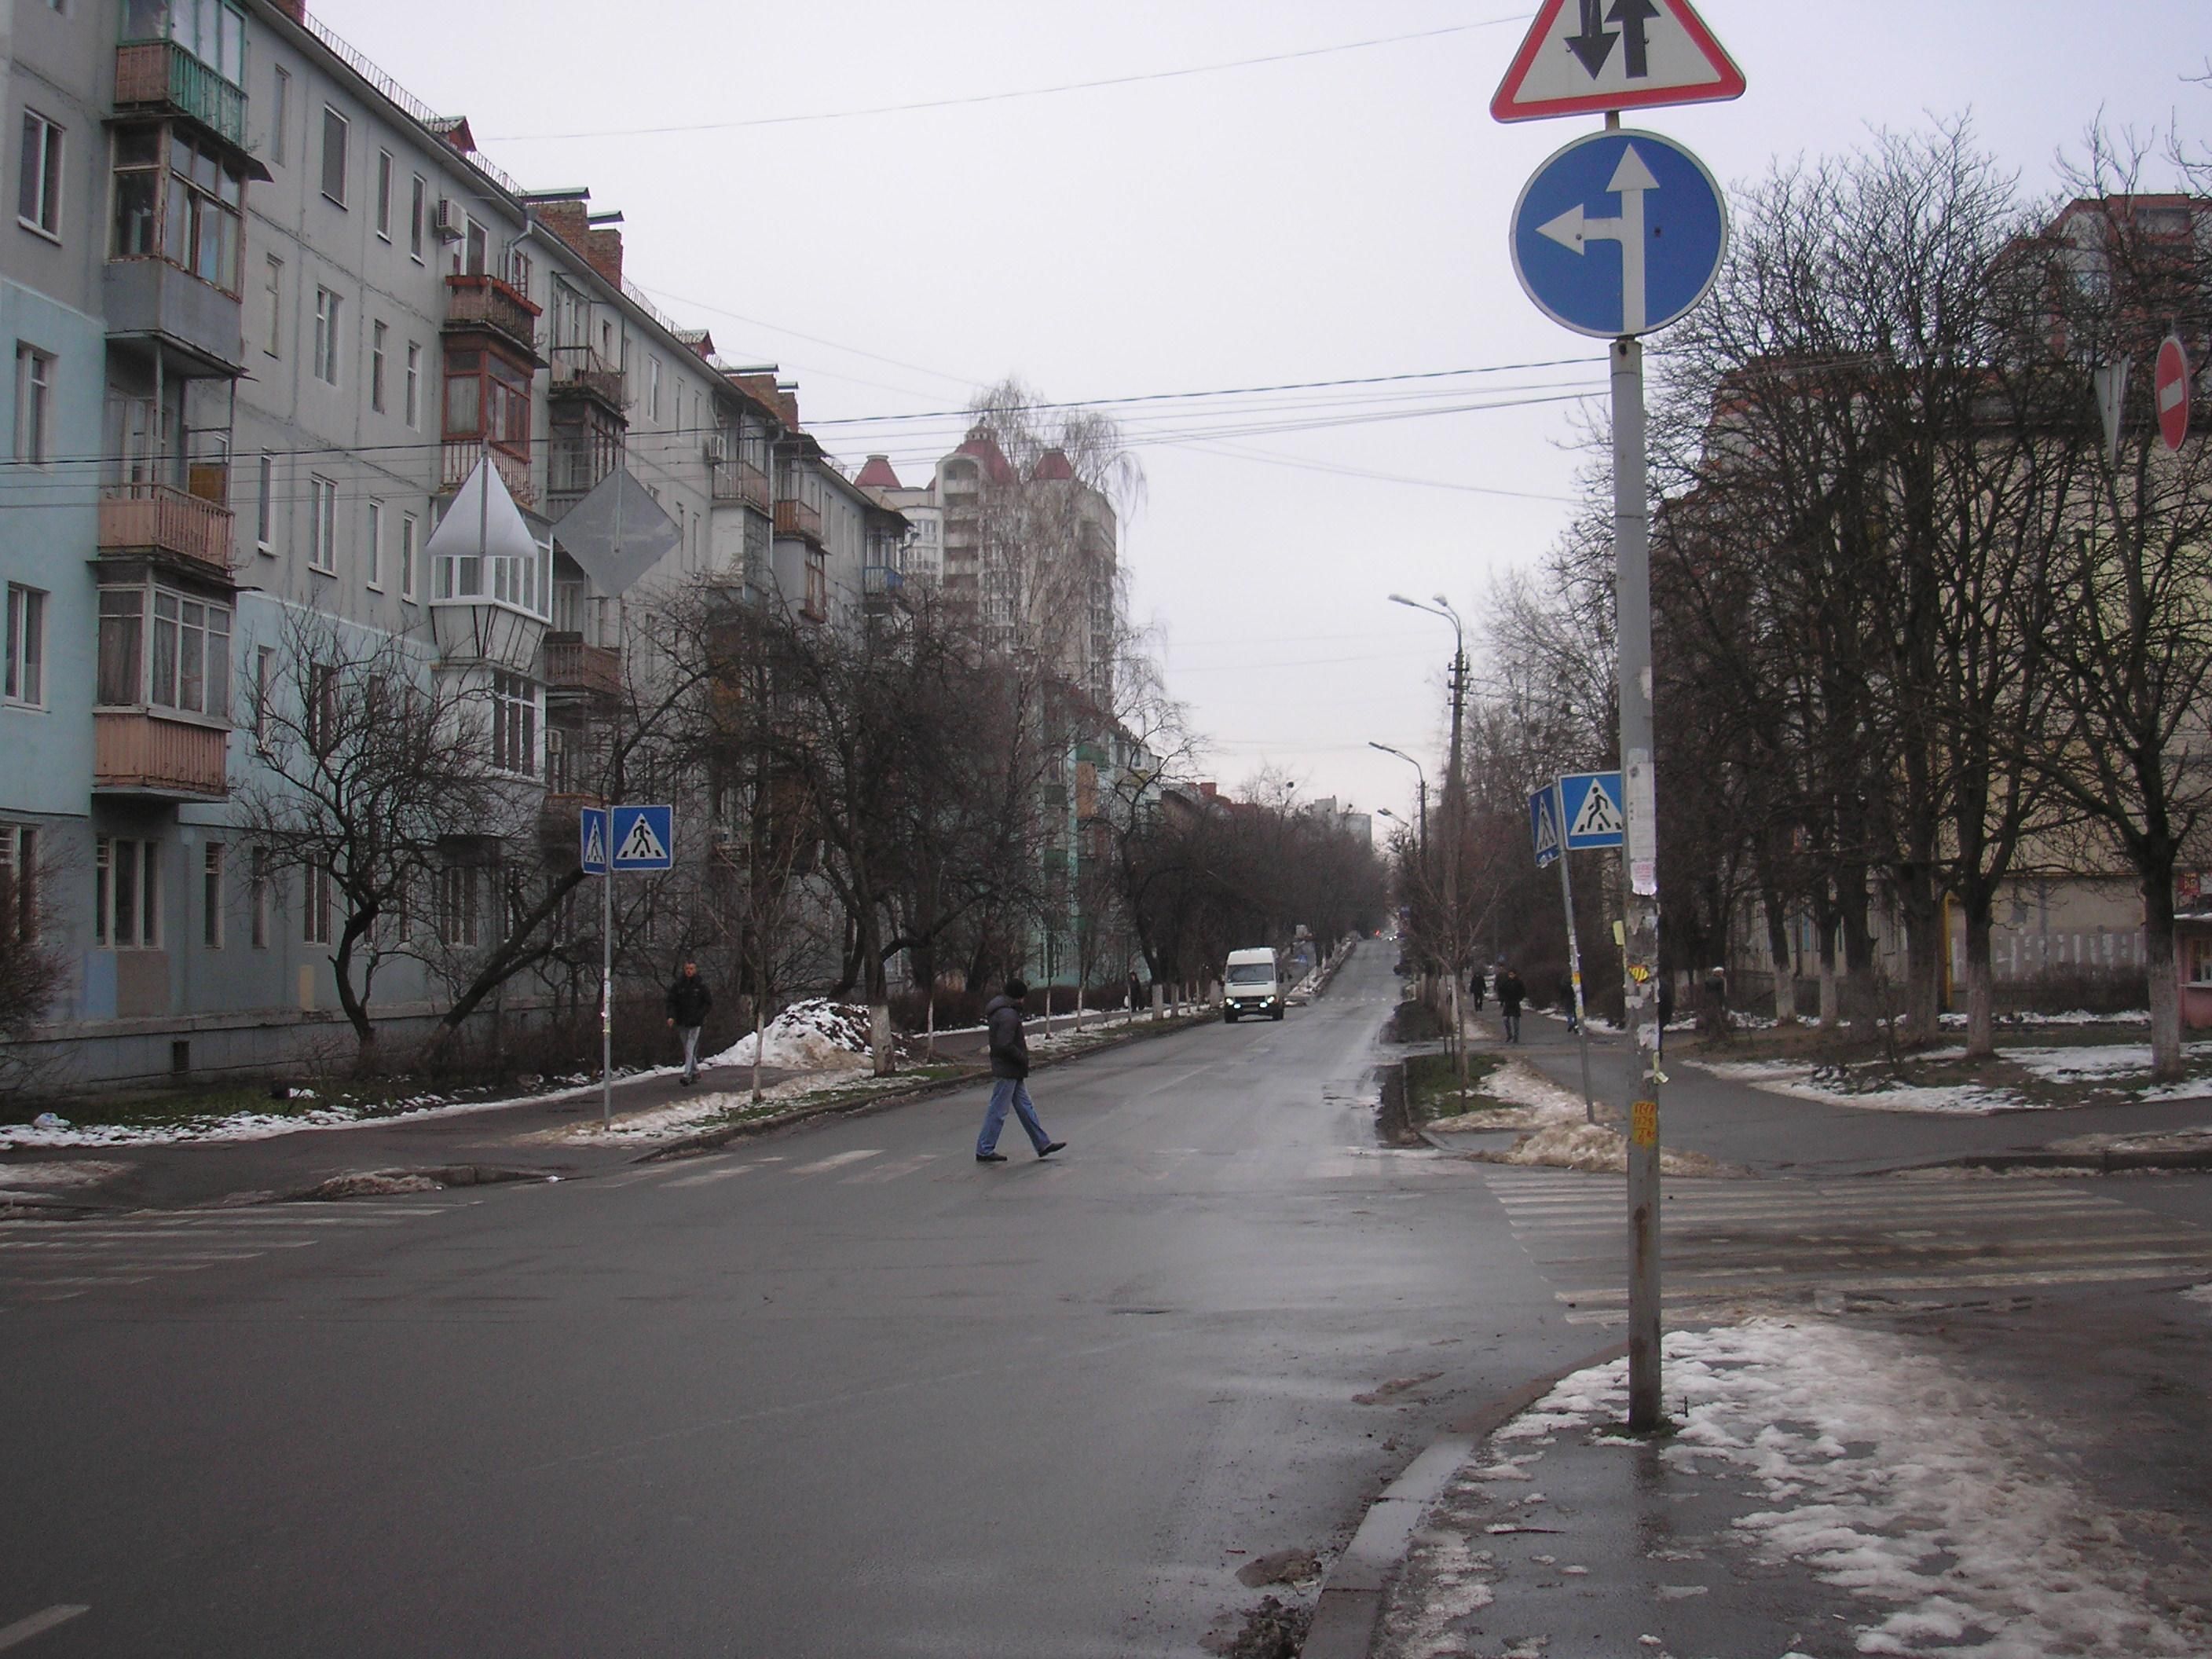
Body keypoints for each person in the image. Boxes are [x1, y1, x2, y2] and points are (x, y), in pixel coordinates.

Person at [976, 977, 1067, 1163]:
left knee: (1025, 1108)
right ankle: (984, 1149)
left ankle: (1042, 1144)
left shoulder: (1001, 1011)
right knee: (998, 1110)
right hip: (1008, 1068)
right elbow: (1004, 1044)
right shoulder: (1008, 1015)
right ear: (1018, 997)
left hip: (1011, 1069)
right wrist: (1021, 1057)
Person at [665, 961, 712, 1086]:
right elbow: (671, 1002)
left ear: (695, 970)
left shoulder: (701, 986)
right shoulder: (678, 986)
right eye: (687, 968)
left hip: (695, 1022)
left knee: (690, 1047)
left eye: (691, 968)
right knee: (687, 1047)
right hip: (681, 1021)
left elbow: (708, 1003)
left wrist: (700, 1015)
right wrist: (671, 1016)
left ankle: (687, 1075)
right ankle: (695, 1071)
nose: (689, 971)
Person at [1496, 964, 1525, 1043]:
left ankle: (1516, 1037)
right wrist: (1502, 999)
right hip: (1508, 1003)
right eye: (1510, 974)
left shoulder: (1519, 982)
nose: (1511, 976)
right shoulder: (1505, 982)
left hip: (1515, 1003)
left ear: (1515, 975)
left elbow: (1523, 992)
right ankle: (1509, 1035)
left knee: (1516, 1022)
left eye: (1512, 974)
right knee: (1506, 1020)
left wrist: (1519, 999)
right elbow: (1500, 990)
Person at [1558, 970, 1580, 1035]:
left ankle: (1571, 1023)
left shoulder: (1564, 983)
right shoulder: (1577, 983)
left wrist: (1561, 999)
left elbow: (1562, 993)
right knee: (1576, 1014)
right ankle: (1576, 1026)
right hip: (1576, 999)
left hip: (1567, 1000)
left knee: (1568, 1013)